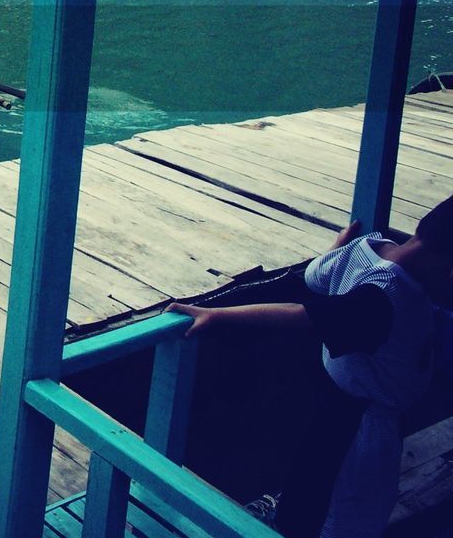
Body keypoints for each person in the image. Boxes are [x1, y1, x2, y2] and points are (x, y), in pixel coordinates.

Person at [169, 196, 453, 538]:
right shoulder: (384, 298)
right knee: (350, 509)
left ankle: (288, 519)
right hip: (364, 424)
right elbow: (302, 315)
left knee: (313, 484)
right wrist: (217, 315)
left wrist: (338, 249)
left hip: (332, 402)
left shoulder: (367, 245)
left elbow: (315, 277)